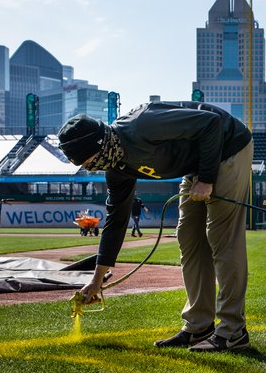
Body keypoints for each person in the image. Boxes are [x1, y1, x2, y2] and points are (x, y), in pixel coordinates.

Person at [57, 101, 253, 352]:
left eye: (88, 160)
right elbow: (115, 222)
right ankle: (199, 324)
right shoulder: (117, 168)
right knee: (189, 238)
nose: (88, 167)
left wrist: (206, 178)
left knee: (222, 237)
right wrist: (96, 281)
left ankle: (233, 332)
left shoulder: (142, 124)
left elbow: (210, 123)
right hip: (196, 164)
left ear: (101, 145)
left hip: (229, 146)